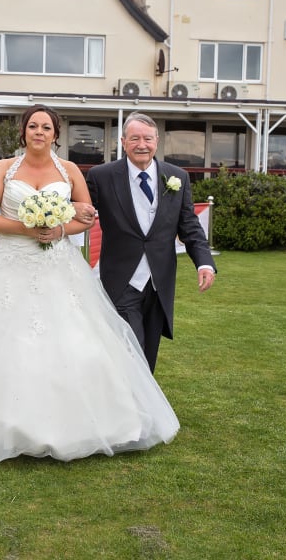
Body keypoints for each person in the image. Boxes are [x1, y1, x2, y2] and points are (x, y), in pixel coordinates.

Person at [0, 105, 180, 463]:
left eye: (46, 127)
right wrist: (26, 228)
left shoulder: (70, 170)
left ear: (55, 134)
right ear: (23, 133)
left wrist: (58, 228)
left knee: (77, 339)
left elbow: (85, 216)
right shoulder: (3, 169)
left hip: (58, 265)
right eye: (32, 126)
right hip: (7, 263)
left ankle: (88, 419)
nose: (39, 132)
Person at [85, 112, 216, 373]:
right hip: (121, 281)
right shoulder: (101, 176)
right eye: (134, 138)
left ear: (157, 140)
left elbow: (189, 226)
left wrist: (204, 263)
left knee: (148, 354)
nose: (141, 144)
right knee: (131, 351)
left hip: (159, 284)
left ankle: (141, 409)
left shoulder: (177, 176)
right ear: (123, 142)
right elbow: (80, 213)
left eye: (147, 138)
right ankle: (131, 410)